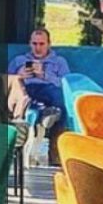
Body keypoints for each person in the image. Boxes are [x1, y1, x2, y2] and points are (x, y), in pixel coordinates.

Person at [8, 28, 71, 163]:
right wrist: (19, 75)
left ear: (49, 44)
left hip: (48, 90)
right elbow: (6, 81)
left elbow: (66, 84)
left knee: (60, 97)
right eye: (34, 44)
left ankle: (55, 148)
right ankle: (44, 113)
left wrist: (44, 75)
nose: (38, 48)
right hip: (26, 89)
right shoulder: (19, 60)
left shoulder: (59, 61)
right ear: (29, 44)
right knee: (19, 95)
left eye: (41, 44)